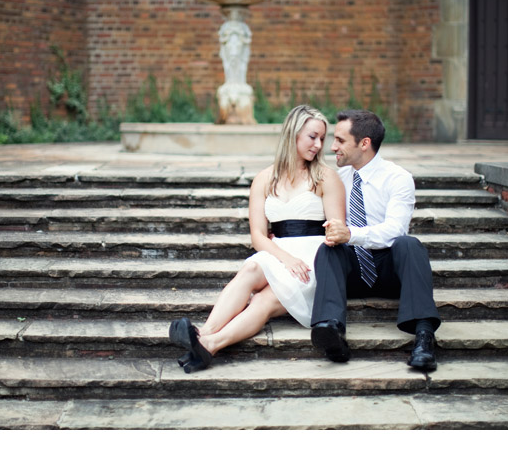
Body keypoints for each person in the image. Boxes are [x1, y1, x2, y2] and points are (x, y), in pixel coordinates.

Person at [169, 104, 346, 373]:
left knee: (263, 299)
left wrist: (300, 259)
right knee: (252, 266)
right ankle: (204, 335)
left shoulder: (325, 178)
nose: (319, 144)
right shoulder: (264, 179)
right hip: (277, 252)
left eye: (322, 138)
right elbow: (257, 236)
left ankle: (208, 343)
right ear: (293, 134)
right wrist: (285, 258)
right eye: (313, 136)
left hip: (313, 259)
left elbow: (336, 232)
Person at [309, 109, 441, 371]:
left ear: (364, 143)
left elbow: (395, 229)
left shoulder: (397, 178)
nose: (332, 147)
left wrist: (351, 234)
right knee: (328, 249)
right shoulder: (337, 177)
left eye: (340, 140)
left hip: (389, 270)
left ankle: (425, 337)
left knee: (409, 244)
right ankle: (330, 332)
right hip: (351, 272)